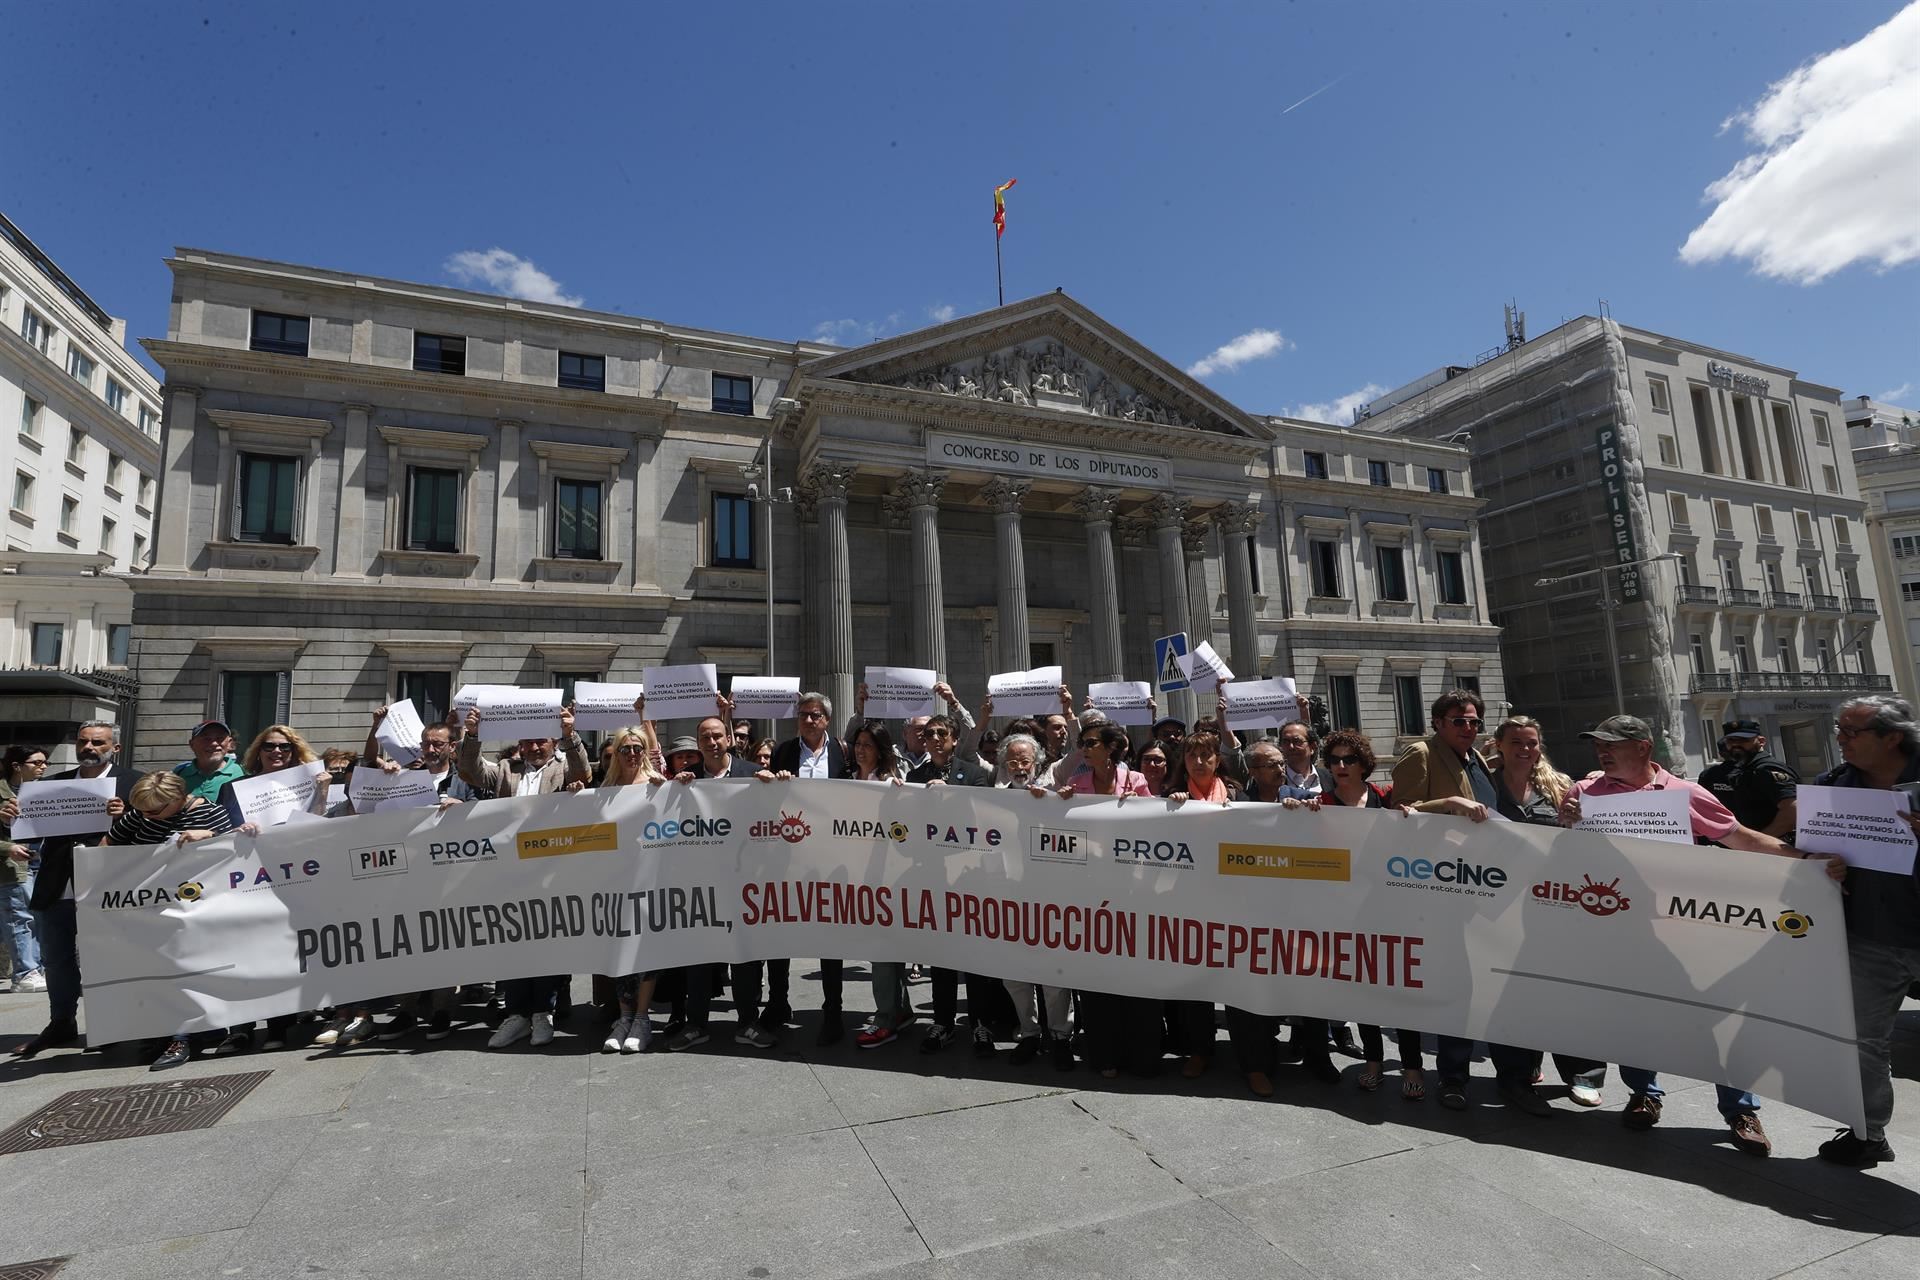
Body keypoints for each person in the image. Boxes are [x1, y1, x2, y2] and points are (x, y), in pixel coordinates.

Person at [1558, 714, 1842, 1155]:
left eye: (1612, 744)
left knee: (1719, 1016)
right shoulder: (1583, 792)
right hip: (1622, 927)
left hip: (1690, 926)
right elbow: (1569, 859)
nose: (1602, 752)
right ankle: (1644, 1094)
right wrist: (1567, 825)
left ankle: (1740, 1109)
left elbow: (1741, 839)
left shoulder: (1684, 792)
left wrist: (1805, 858)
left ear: (1643, 748)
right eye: (1598, 744)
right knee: (1637, 1014)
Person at [1390, 688, 1545, 1112]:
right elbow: (1398, 814)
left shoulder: (1476, 759)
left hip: (1486, 889)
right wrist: (1451, 803)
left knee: (1496, 983)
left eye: (1474, 722)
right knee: (1458, 987)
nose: (1468, 728)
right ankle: (1453, 1076)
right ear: (1438, 723)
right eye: (1459, 721)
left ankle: (1513, 1078)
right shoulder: (1421, 753)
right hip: (1444, 891)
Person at [1805, 696, 1920, 1167]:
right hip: (1873, 937)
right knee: (1862, 1041)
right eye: (1839, 730)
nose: (1841, 739)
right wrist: (1819, 864)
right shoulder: (1833, 787)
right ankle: (1868, 1134)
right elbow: (1810, 851)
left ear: (1892, 736)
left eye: (1852, 732)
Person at [1487, 716, 1606, 1107]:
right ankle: (1516, 1076)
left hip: (1557, 907)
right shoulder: (1481, 786)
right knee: (1512, 994)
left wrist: (1582, 810)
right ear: (1499, 745)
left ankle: (1583, 1074)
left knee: (1567, 991)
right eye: (1517, 742)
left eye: (1532, 742)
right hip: (1501, 906)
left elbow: (1587, 838)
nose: (1526, 749)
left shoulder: (1560, 787)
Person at [458, 705, 590, 1049]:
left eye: (541, 742)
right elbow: (470, 771)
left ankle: (541, 1015)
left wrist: (569, 735)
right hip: (509, 869)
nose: (533, 748)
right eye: (528, 742)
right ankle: (516, 1014)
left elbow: (584, 772)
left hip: (551, 870)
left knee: (546, 944)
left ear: (551, 742)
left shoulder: (563, 768)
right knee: (514, 941)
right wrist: (471, 736)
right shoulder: (506, 769)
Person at [1299, 730, 1422, 1094]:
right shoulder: (1320, 804)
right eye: (1334, 760)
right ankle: (1373, 1059)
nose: (1340, 766)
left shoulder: (1385, 799)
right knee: (1364, 989)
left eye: (1348, 760)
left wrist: (1411, 815)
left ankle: (1413, 1067)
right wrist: (1294, 813)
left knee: (1399, 990)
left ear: (1364, 764)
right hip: (1345, 911)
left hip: (1389, 908)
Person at [6, 720, 136, 1059]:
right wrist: (9, 818)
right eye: (83, 742)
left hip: (108, 885)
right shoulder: (49, 785)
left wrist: (125, 816)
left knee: (104, 959)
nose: (89, 747)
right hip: (57, 884)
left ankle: (111, 1024)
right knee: (56, 959)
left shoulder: (132, 782)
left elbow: (152, 825)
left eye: (98, 742)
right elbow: (28, 834)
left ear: (114, 748)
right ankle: (61, 1022)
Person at [101, 770, 241, 1070]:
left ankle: (181, 1038)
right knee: (155, 974)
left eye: (155, 811)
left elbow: (235, 851)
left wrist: (211, 836)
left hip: (194, 910)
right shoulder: (141, 815)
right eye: (143, 811)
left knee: (183, 972)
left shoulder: (210, 813)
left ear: (179, 798)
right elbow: (108, 846)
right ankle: (173, 1033)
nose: (148, 817)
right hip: (145, 909)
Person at [209, 724, 331, 1055]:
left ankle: (279, 1026)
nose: (277, 752)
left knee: (282, 953)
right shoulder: (234, 788)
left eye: (285, 747)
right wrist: (238, 829)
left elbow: (314, 828)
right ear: (257, 752)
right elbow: (221, 832)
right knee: (245, 953)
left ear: (295, 752)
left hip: (292, 879)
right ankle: (241, 1029)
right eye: (270, 747)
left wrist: (320, 794)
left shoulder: (308, 784)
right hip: (246, 879)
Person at [669, 705, 776, 1052]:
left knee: (744, 956)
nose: (712, 741)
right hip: (700, 881)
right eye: (705, 737)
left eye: (717, 735)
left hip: (743, 879)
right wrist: (675, 789)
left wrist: (775, 787)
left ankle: (748, 1022)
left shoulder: (753, 773)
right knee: (699, 956)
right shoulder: (687, 780)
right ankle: (696, 1023)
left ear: (729, 739)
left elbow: (774, 817)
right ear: (698, 744)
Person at [759, 691, 849, 1043]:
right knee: (781, 931)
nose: (808, 720)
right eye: (802, 715)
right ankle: (778, 1003)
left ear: (827, 719)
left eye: (814, 715)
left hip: (830, 856)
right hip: (788, 854)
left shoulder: (842, 751)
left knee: (829, 937)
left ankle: (833, 1012)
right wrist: (767, 780)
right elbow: (765, 795)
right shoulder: (784, 751)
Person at [1168, 731, 1238, 1079]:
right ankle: (1200, 1051)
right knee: (1197, 980)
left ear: (1217, 760)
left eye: (1206, 755)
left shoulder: (1238, 795)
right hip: (1190, 900)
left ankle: (1250, 1057)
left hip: (1234, 898)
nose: (1199, 762)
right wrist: (1172, 807)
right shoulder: (1171, 799)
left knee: (1238, 978)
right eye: (1192, 756)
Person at [597, 723, 667, 1054]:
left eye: (638, 748)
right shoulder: (606, 788)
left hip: (650, 879)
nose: (632, 755)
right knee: (620, 948)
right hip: (616, 881)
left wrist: (668, 788)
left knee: (647, 949)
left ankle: (642, 1018)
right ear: (616, 754)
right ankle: (624, 1017)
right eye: (625, 749)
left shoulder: (656, 786)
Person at [1696, 718, 1798, 837]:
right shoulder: (1743, 768)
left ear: (1761, 741)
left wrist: (1760, 842)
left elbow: (1792, 811)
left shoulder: (1766, 769)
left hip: (1769, 848)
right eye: (1730, 740)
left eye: (1743, 740)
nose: (1735, 744)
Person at [1, 745, 49, 993]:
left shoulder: (45, 792)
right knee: (18, 918)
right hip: (10, 867)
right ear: (16, 766)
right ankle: (24, 974)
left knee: (37, 919)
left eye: (45, 763)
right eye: (37, 763)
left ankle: (36, 969)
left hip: (39, 861)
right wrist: (7, 847)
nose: (43, 767)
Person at [172, 720, 246, 802]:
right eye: (206, 738)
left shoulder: (242, 774)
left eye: (219, 738)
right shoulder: (178, 774)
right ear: (192, 744)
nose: (214, 743)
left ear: (229, 744)